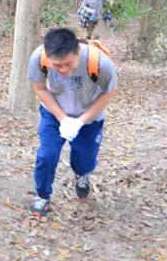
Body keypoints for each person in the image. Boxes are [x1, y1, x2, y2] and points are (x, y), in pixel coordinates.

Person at [27, 28, 117, 217]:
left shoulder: (100, 62)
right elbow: (41, 89)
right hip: (54, 112)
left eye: (68, 64)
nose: (63, 70)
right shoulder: (38, 58)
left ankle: (82, 175)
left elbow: (109, 93)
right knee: (47, 154)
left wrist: (80, 121)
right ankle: (42, 195)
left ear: (78, 51)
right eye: (57, 66)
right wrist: (63, 118)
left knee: (84, 161)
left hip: (89, 117)